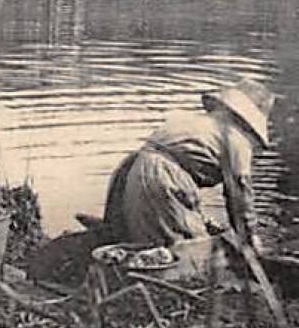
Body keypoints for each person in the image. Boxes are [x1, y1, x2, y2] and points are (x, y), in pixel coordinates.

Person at [101, 78, 276, 248]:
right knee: (188, 247)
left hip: (134, 168)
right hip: (163, 177)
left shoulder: (198, 122)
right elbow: (240, 195)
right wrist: (249, 238)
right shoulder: (236, 140)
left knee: (145, 233)